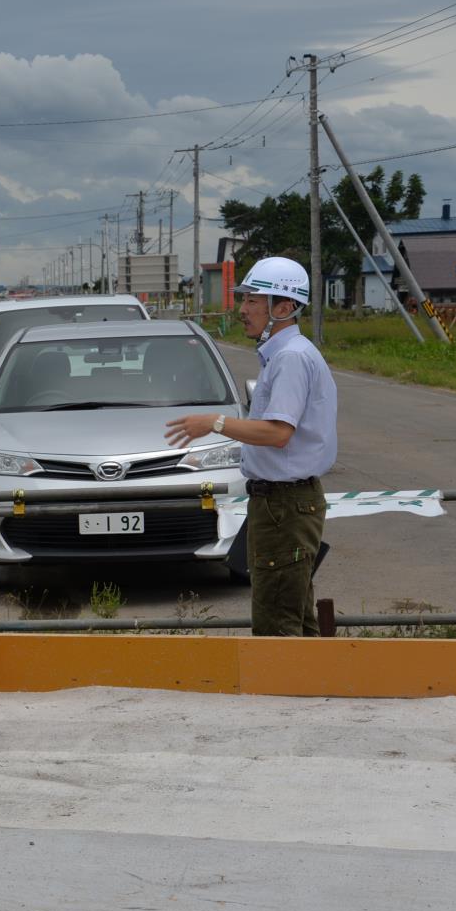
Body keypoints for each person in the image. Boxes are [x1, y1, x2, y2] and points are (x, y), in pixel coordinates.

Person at [166, 256, 337, 636]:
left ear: (284, 307)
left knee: (278, 618)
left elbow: (278, 433)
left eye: (252, 301)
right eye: (243, 300)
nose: (242, 310)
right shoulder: (285, 354)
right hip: (280, 502)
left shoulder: (291, 358)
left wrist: (214, 423)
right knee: (292, 609)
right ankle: (309, 686)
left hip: (285, 505)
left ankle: (287, 692)